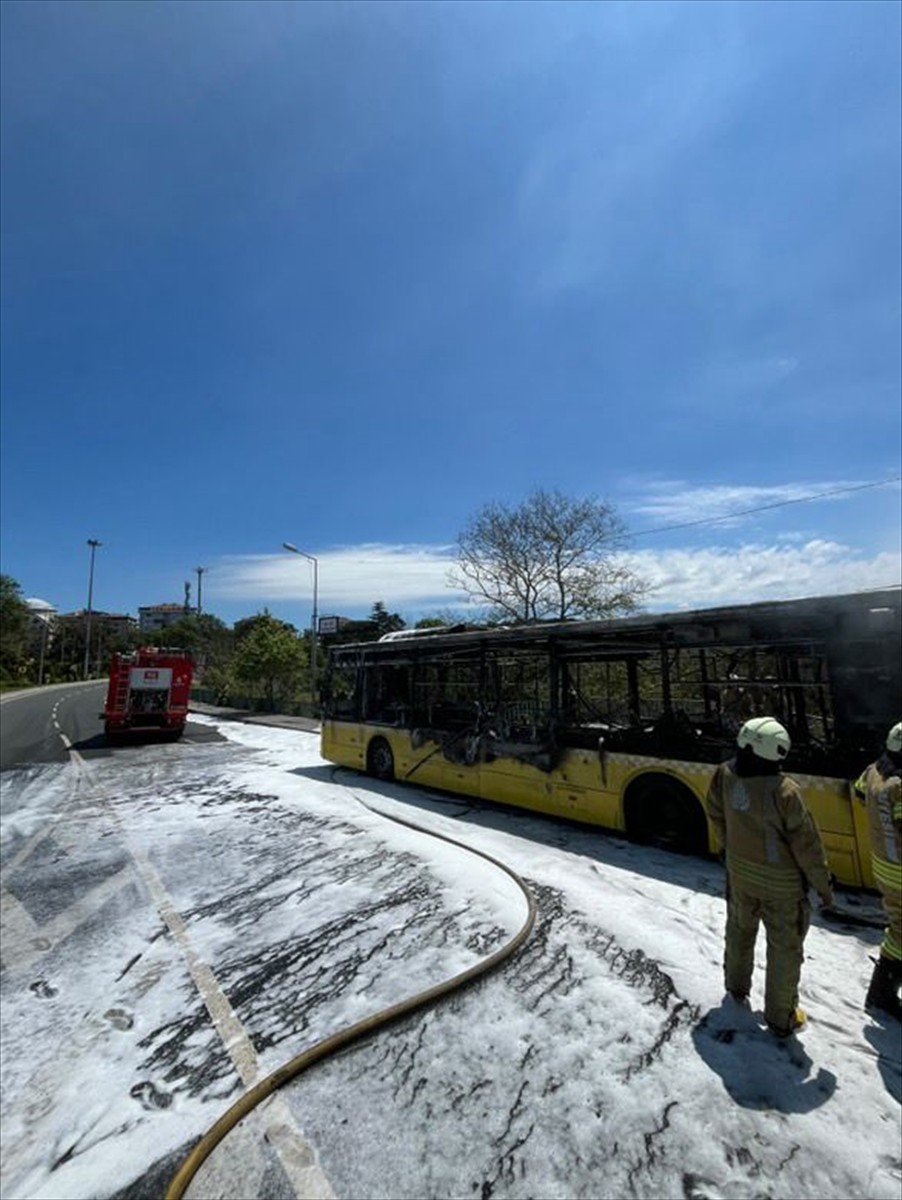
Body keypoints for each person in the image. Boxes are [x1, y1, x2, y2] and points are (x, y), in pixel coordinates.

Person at [706, 716, 833, 1038]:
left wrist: (728, 848)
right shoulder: (785, 790)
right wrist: (823, 886)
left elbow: (716, 813)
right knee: (784, 952)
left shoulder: (725, 773)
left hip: (739, 876)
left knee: (738, 932)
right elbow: (807, 846)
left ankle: (735, 988)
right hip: (782, 889)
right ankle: (781, 1018)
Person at [853, 721, 902, 1021]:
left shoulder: (874, 771)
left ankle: (881, 992)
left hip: (883, 866)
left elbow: (860, 794)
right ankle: (881, 995)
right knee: (900, 933)